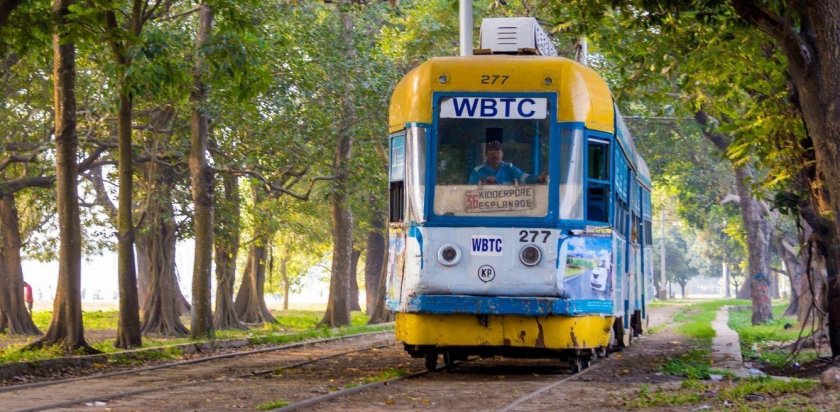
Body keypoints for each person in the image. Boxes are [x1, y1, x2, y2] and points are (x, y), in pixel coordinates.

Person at [468, 129, 547, 185]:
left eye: (498, 152)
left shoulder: (509, 168)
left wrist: (537, 179)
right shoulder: (477, 171)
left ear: (503, 154)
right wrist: (485, 184)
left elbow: (522, 177)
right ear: (486, 154)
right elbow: (470, 191)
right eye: (491, 152)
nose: (495, 155)